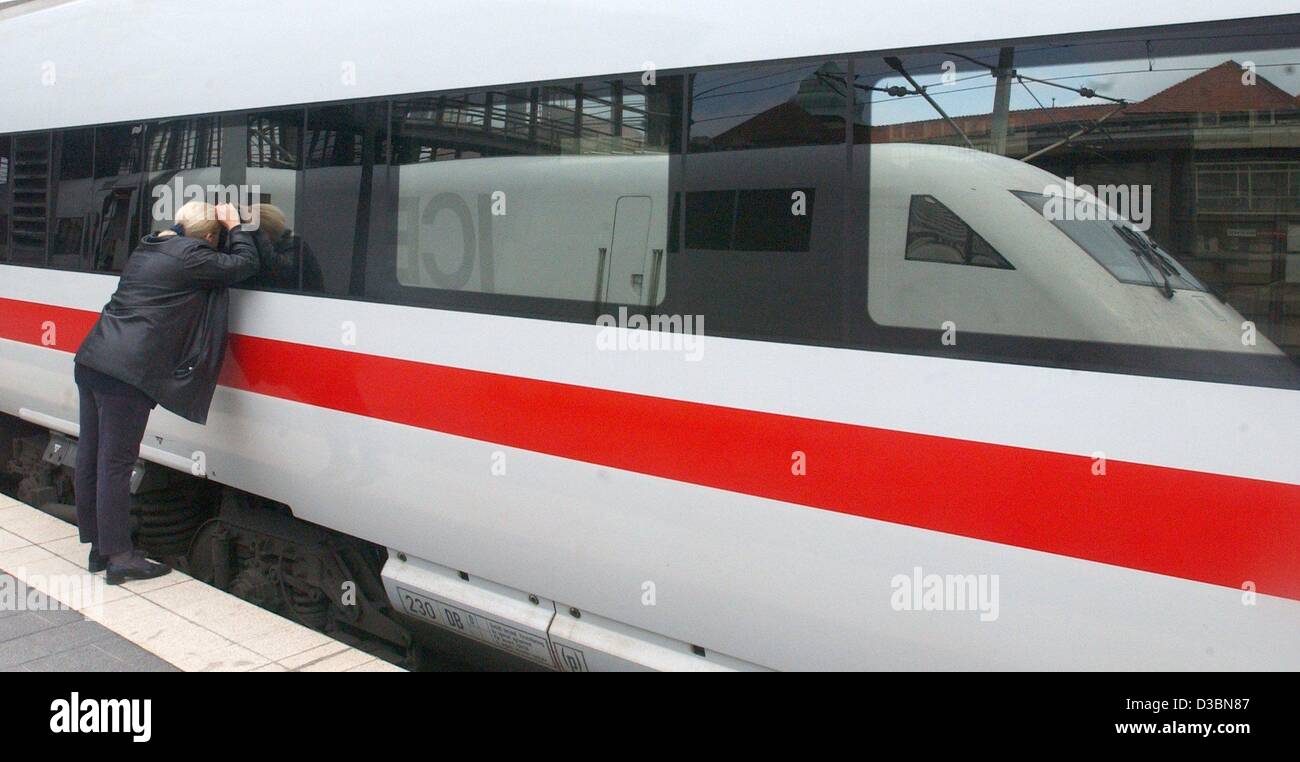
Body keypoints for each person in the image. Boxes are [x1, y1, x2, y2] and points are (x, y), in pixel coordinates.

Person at [73, 201, 259, 584]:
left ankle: (99, 546)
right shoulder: (193, 256)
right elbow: (243, 265)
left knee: (91, 456)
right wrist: (236, 227)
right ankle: (121, 557)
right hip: (127, 371)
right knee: (115, 464)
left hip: (93, 358)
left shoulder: (150, 247)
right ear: (208, 238)